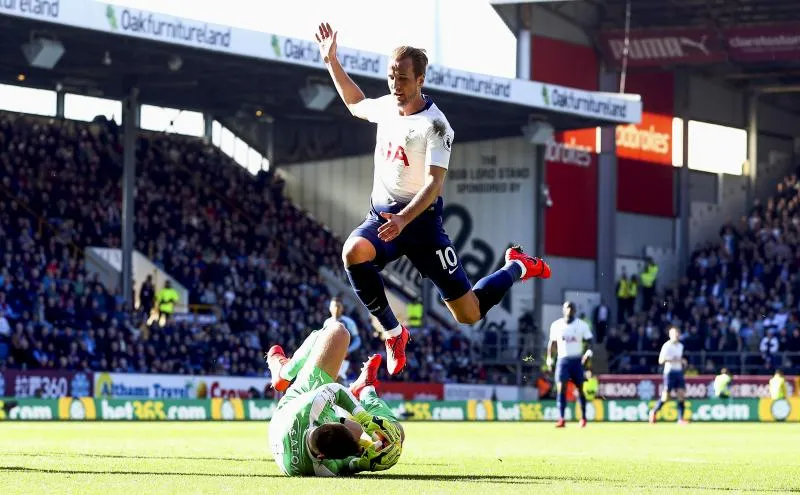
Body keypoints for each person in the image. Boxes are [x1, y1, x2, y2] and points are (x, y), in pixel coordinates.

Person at [314, 22, 551, 375]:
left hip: (421, 224)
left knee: (469, 313)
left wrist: (404, 220)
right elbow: (355, 102)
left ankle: (517, 265)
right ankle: (394, 333)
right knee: (352, 251)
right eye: (392, 76)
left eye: (404, 78)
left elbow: (434, 185)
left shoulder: (437, 126)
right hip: (382, 218)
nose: (396, 85)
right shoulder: (385, 108)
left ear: (421, 80)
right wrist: (332, 61)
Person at [265, 322, 404, 476]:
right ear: (322, 457)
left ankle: (284, 372)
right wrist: (367, 463)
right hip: (302, 425)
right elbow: (349, 465)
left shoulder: (312, 405)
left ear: (329, 421)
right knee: (395, 437)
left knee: (338, 331)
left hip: (296, 401)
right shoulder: (323, 468)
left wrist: (364, 418)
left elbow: (337, 390)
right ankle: (366, 390)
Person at [546, 301, 593, 428]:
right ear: (563, 309)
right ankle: (561, 418)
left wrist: (588, 352)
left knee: (580, 389)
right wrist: (549, 359)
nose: (569, 310)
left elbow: (589, 341)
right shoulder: (556, 325)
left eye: (572, 308)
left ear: (575, 310)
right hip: (563, 360)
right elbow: (552, 343)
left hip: (577, 360)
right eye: (567, 307)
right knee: (561, 389)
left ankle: (583, 418)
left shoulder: (581, 325)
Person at [649, 326, 689, 424]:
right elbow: (661, 360)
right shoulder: (666, 346)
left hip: (679, 372)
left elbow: (680, 358)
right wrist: (673, 359)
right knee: (666, 396)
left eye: (677, 333)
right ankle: (653, 411)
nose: (676, 335)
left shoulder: (680, 346)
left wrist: (683, 361)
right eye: (674, 333)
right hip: (670, 372)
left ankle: (680, 419)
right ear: (670, 335)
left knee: (681, 394)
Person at [324, 295, 361, 381]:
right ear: (330, 308)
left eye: (338, 306)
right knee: (329, 380)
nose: (336, 309)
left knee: (338, 377)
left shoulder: (349, 322)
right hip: (329, 356)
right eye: (334, 306)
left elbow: (357, 339)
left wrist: (348, 350)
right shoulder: (327, 322)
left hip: (343, 357)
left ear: (342, 308)